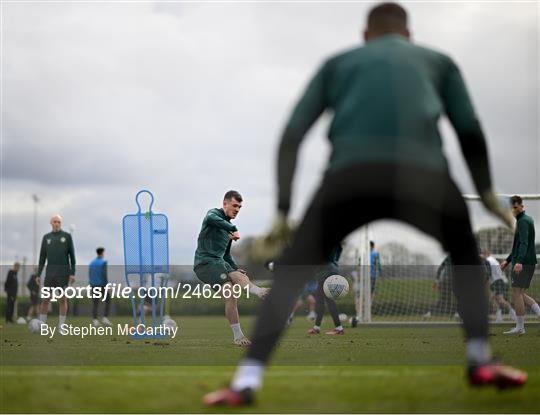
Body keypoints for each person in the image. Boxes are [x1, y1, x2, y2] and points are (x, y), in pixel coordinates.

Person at [204, 3, 526, 405]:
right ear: (409, 35)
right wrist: (486, 190)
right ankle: (479, 360)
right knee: (463, 250)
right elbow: (470, 130)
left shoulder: (339, 63)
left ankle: (246, 382)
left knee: (289, 274)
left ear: (365, 36)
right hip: (423, 174)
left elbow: (292, 133)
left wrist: (284, 211)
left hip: (349, 176)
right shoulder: (438, 62)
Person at [194, 190, 269, 346]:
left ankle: (260, 292)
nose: (237, 209)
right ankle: (238, 336)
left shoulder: (229, 229)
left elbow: (226, 255)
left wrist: (235, 267)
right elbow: (211, 218)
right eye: (234, 205)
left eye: (240, 207)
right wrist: (233, 227)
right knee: (230, 291)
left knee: (236, 276)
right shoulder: (213, 214)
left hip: (220, 263)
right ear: (225, 203)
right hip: (205, 264)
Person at [501, 195, 539, 335]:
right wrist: (508, 260)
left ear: (521, 206)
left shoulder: (523, 221)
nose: (513, 209)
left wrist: (518, 262)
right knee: (521, 293)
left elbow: (524, 243)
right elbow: (518, 245)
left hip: (523, 263)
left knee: (517, 293)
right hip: (528, 262)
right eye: (511, 207)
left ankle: (520, 327)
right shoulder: (525, 220)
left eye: (515, 206)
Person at [37, 214, 76, 329]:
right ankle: (42, 325)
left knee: (62, 299)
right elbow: (42, 257)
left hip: (63, 274)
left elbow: (72, 257)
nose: (57, 223)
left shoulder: (67, 236)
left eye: (58, 222)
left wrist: (72, 273)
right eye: (55, 221)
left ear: (61, 223)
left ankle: (61, 326)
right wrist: (38, 274)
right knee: (45, 299)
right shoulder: (46, 237)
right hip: (50, 273)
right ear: (51, 223)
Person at [307, 243, 345, 335]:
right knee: (320, 300)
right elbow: (338, 251)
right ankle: (317, 328)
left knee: (327, 300)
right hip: (330, 271)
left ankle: (339, 329)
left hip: (327, 273)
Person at [482, 249, 515, 323]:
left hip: (498, 281)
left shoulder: (488, 260)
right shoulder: (493, 259)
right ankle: (500, 317)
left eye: (483, 254)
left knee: (499, 299)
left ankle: (512, 314)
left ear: (486, 254)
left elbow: (488, 273)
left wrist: (485, 281)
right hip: (498, 281)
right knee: (494, 299)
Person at [89, 247, 111, 327]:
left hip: (93, 285)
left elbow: (90, 274)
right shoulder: (103, 262)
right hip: (102, 284)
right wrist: (106, 284)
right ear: (102, 253)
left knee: (95, 303)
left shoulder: (92, 263)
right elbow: (104, 274)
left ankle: (95, 320)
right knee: (108, 300)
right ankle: (105, 318)